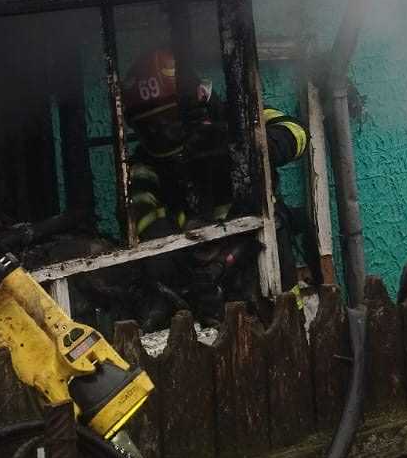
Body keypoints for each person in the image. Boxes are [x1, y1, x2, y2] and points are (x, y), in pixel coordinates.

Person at [121, 48, 318, 290]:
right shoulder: (145, 167)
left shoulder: (238, 118)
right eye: (150, 126)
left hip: (266, 253)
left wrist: (254, 146)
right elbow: (148, 222)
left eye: (170, 120)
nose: (163, 132)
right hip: (200, 273)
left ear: (200, 100)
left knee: (285, 304)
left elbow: (296, 131)